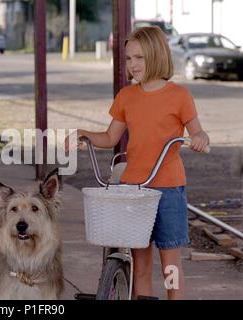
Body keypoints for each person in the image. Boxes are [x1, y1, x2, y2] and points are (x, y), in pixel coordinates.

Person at [65, 26, 210, 300]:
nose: (132, 65)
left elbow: (197, 132)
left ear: (156, 56)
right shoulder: (127, 96)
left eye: (139, 58)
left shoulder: (179, 96)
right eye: (128, 58)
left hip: (168, 188)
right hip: (134, 189)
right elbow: (110, 137)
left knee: (170, 264)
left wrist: (201, 138)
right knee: (140, 265)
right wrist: (82, 133)